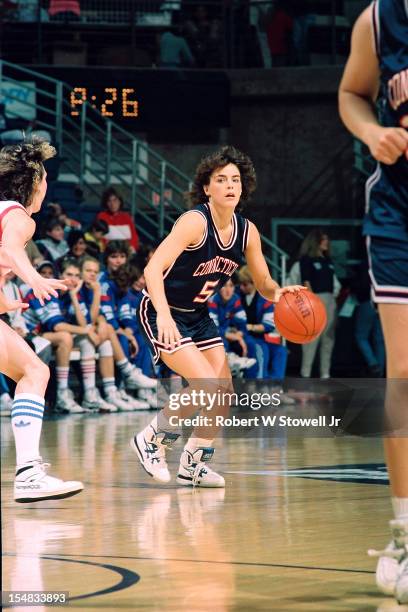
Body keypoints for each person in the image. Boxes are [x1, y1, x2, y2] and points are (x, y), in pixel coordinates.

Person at [131, 146, 303, 488]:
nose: (229, 185)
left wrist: (279, 293)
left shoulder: (247, 231)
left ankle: (192, 463)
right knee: (205, 385)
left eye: (235, 180)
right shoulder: (195, 221)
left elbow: (263, 282)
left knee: (223, 391)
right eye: (220, 179)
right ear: (206, 188)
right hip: (161, 309)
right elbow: (152, 269)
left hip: (197, 314)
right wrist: (163, 317)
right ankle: (151, 438)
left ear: (243, 187)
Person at [338, 0, 408, 604]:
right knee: (405, 372)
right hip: (398, 214)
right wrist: (370, 130)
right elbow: (352, 94)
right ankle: (406, 536)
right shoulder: (380, 19)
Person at [0, 139, 83, 502]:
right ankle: (29, 473)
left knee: (33, 370)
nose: (47, 185)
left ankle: (30, 472)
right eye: (45, 177)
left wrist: (5, 302)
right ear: (34, 182)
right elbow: (10, 250)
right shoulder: (18, 216)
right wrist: (32, 278)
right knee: (35, 372)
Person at [298, 230, 338, 379]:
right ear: (316, 242)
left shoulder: (328, 261)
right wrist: (312, 303)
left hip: (330, 299)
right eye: (323, 239)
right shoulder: (307, 260)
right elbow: (306, 282)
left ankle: (325, 372)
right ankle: (306, 372)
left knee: (328, 338)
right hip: (316, 299)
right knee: (312, 338)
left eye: (327, 239)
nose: (326, 242)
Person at [97, 187, 140, 252]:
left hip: (127, 252)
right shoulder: (101, 216)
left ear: (120, 202)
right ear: (106, 203)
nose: (112, 204)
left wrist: (131, 248)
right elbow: (100, 237)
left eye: (115, 200)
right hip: (109, 252)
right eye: (109, 201)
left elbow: (134, 237)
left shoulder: (126, 217)